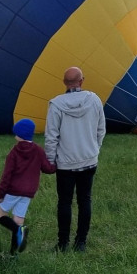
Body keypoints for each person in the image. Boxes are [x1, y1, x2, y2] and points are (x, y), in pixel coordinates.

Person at [44, 67, 105, 252]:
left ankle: (63, 243)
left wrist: (50, 160)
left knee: (64, 202)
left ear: (64, 82)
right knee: (84, 200)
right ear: (82, 81)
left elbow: (51, 136)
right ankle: (81, 243)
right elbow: (101, 129)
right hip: (88, 160)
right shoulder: (94, 100)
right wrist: (94, 149)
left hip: (65, 163)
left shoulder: (56, 104)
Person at [0, 118, 56, 255]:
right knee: (18, 220)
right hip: (29, 192)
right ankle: (13, 253)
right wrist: (56, 166)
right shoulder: (38, 151)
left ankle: (18, 232)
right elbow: (48, 168)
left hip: (13, 190)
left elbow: (6, 175)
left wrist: (0, 194)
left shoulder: (14, 152)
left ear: (19, 134)